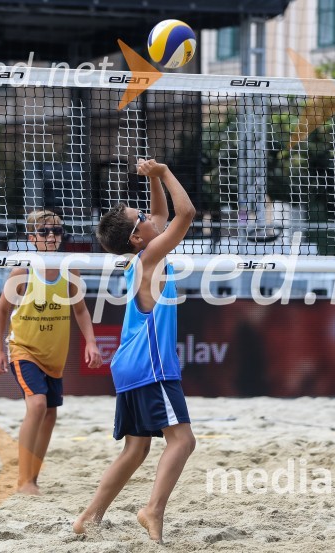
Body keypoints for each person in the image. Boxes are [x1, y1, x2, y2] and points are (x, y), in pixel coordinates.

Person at [73, 159, 197, 543]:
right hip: (149, 365)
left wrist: (153, 180)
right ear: (138, 239)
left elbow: (160, 214)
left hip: (128, 364)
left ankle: (88, 518)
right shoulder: (148, 259)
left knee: (136, 449)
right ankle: (152, 511)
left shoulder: (142, 254)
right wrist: (163, 174)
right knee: (183, 441)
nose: (147, 213)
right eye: (139, 215)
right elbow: (186, 213)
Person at [0, 209, 102, 495]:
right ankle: (23, 481)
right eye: (44, 232)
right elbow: (2, 310)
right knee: (38, 405)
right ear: (32, 238)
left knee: (50, 414)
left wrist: (90, 342)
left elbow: (80, 310)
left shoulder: (69, 269)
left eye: (56, 231)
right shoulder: (23, 270)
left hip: (54, 355)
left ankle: (33, 478)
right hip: (23, 348)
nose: (51, 236)